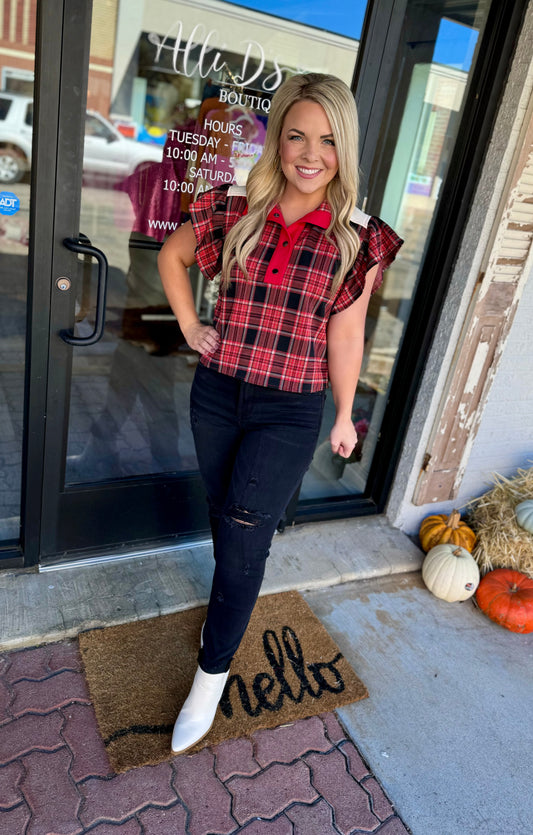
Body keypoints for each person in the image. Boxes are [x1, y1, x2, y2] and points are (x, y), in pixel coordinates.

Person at [157, 73, 403, 754]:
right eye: (295, 134)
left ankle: (211, 672)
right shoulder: (239, 206)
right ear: (276, 139)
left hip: (289, 407)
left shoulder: (356, 238)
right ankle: (227, 613)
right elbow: (175, 258)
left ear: (342, 148)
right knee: (228, 517)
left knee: (241, 528)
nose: (308, 151)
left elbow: (345, 334)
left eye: (325, 139)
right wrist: (187, 325)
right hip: (216, 392)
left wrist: (345, 414)